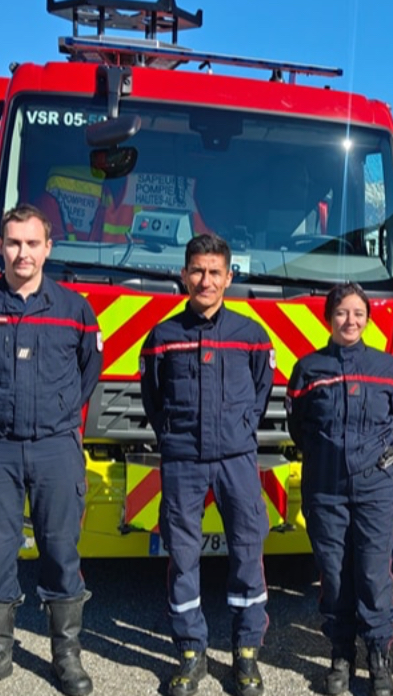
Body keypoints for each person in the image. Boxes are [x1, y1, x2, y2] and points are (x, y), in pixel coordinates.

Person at [0, 204, 102, 696]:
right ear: (0, 247)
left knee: (60, 550)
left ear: (48, 248)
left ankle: (67, 656)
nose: (23, 253)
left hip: (56, 446)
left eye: (33, 243)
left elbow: (88, 372)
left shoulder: (75, 311)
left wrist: (57, 411)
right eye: (14, 243)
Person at [139, 234, 275, 696]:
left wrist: (237, 430)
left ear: (229, 277)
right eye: (197, 270)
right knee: (182, 557)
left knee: (247, 552)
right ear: (183, 274)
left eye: (215, 272)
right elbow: (153, 400)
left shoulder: (251, 336)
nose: (206, 280)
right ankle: (191, 651)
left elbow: (260, 394)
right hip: (183, 463)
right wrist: (177, 437)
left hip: (237, 461)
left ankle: (246, 653)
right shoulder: (162, 338)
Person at [286, 283, 393, 696]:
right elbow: (299, 427)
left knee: (374, 578)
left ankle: (378, 658)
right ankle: (341, 656)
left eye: (358, 313)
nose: (350, 321)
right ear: (329, 317)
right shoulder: (308, 368)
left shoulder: (387, 367)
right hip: (325, 490)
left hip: (376, 489)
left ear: (367, 319)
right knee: (335, 577)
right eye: (342, 313)